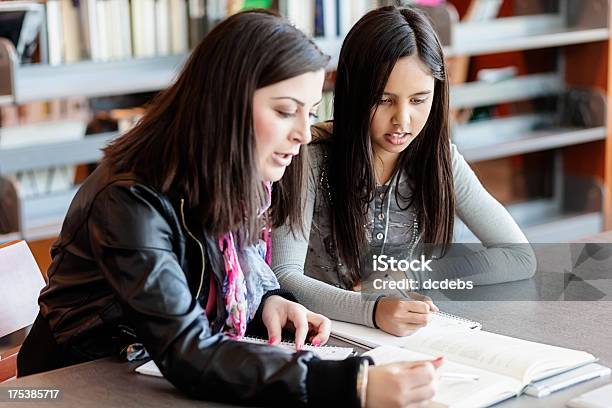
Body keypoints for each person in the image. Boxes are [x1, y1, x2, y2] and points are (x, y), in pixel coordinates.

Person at [17, 10, 438, 408]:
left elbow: (238, 270)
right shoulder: (129, 200)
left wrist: (269, 299)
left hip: (146, 375)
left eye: (309, 114)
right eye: (285, 111)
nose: (304, 135)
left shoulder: (236, 179)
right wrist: (353, 383)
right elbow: (188, 351)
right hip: (78, 384)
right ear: (227, 102)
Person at [272, 6, 536, 337]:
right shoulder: (309, 158)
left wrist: (410, 275)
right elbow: (284, 274)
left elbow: (520, 257)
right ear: (354, 94)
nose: (403, 120)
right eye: (384, 100)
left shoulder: (441, 161)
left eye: (418, 100)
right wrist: (373, 309)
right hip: (318, 338)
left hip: (400, 339)